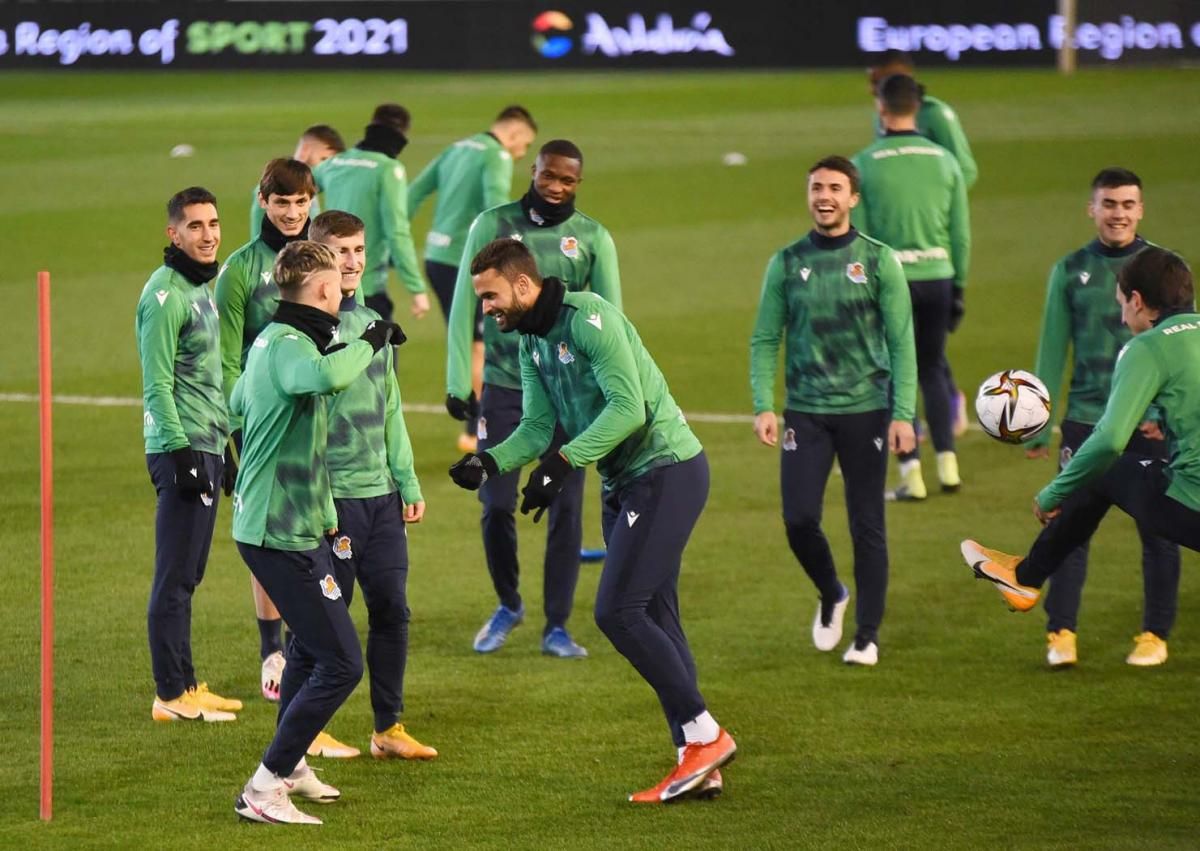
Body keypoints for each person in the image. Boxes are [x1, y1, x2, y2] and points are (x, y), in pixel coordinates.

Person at [449, 238, 735, 802]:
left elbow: (628, 409)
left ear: (523, 285)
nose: (486, 308)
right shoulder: (531, 342)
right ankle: (697, 757)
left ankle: (706, 735)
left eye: (490, 295)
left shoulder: (590, 318)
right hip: (625, 481)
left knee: (617, 611)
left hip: (665, 470)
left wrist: (563, 461)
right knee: (658, 616)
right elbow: (535, 427)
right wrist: (489, 463)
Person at [231, 240, 404, 824]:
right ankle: (264, 785)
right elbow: (325, 379)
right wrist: (370, 340)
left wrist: (325, 513)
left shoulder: (277, 344)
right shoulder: (286, 346)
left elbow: (238, 405)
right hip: (275, 531)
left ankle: (292, 763)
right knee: (342, 663)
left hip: (302, 526)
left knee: (312, 648)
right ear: (326, 291)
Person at [963, 248, 1200, 643]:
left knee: (1104, 469)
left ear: (1138, 301)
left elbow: (1108, 441)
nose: (1123, 316)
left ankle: (1025, 579)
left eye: (1121, 303)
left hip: (1193, 502)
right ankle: (1025, 577)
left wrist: (1055, 490)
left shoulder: (1148, 348)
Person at [445, 139, 622, 658]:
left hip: (570, 393)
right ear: (534, 170)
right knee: (495, 503)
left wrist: (606, 395)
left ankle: (557, 626)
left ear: (578, 182)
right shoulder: (492, 225)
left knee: (565, 508)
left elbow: (611, 321)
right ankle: (509, 603)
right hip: (503, 384)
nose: (556, 187)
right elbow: (463, 301)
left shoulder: (592, 238)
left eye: (567, 180)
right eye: (549, 176)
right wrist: (460, 380)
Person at [750, 156, 917, 666]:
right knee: (799, 518)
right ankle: (832, 593)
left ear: (853, 198)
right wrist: (764, 404)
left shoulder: (880, 261)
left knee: (867, 524)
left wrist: (904, 413)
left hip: (867, 409)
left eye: (835, 188)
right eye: (817, 187)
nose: (825, 196)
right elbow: (763, 338)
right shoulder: (786, 262)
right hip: (806, 411)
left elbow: (902, 342)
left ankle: (866, 635)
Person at [1023, 169, 1180, 667]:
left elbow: (1177, 346)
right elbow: (1052, 347)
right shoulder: (1069, 271)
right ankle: (1061, 633)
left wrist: (1161, 412)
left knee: (1160, 531)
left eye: (1128, 204)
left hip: (1148, 423)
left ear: (1141, 209)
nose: (1119, 213)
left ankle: (1154, 635)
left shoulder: (1162, 270)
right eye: (1109, 203)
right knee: (1070, 529)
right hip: (1087, 419)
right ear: (1091, 210)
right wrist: (1036, 418)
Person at [216, 159, 339, 742]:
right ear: (262, 201)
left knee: (309, 534)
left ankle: (304, 655)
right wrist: (231, 435)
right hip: (263, 418)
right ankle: (274, 651)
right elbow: (227, 362)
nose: (292, 213)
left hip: (317, 418)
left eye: (301, 202)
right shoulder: (240, 271)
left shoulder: (320, 259)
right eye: (280, 202)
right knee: (271, 531)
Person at [310, 210, 437, 760]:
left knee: (392, 608)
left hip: (380, 498)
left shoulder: (374, 326)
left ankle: (388, 727)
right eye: (342, 252)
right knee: (322, 618)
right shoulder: (304, 333)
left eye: (359, 250)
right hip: (331, 499)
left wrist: (406, 481)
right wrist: (316, 497)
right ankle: (309, 728)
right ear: (317, 259)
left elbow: (392, 411)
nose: (354, 261)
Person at [136, 186, 241, 722]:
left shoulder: (201, 287)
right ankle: (170, 695)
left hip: (205, 444)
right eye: (195, 226)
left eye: (214, 224)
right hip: (181, 450)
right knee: (175, 576)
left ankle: (187, 684)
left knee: (189, 574)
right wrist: (182, 454)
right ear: (172, 233)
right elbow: (157, 385)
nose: (208, 235)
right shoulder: (165, 295)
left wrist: (225, 443)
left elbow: (208, 382)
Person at [852, 73, 969, 501]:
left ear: (881, 107)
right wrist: (959, 286)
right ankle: (949, 467)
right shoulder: (945, 161)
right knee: (933, 368)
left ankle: (911, 474)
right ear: (916, 107)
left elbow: (859, 238)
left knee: (893, 374)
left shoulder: (864, 163)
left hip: (891, 280)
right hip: (938, 277)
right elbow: (961, 235)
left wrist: (864, 290)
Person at [408, 105, 538, 453]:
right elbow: (496, 205)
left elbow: (414, 192)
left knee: (466, 335)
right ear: (514, 134)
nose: (521, 152)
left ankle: (472, 420)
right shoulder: (496, 155)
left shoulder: (457, 147)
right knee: (480, 343)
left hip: (436, 257)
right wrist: (514, 250)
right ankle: (475, 426)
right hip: (466, 263)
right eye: (524, 145)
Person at [867, 50, 977, 438]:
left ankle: (939, 413)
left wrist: (931, 200)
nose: (870, 86)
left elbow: (964, 169)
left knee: (911, 353)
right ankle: (944, 422)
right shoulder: (883, 118)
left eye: (876, 78)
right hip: (908, 246)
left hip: (929, 239)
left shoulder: (936, 115)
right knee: (921, 350)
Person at [314, 104, 429, 322]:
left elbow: (299, 190)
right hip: (365, 289)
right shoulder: (387, 169)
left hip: (328, 287)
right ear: (401, 135)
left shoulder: (335, 163)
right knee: (382, 354)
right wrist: (416, 288)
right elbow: (397, 232)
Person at [249, 125, 344, 240]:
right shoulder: (276, 189)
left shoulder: (305, 187)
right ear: (305, 151)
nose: (327, 170)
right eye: (324, 160)